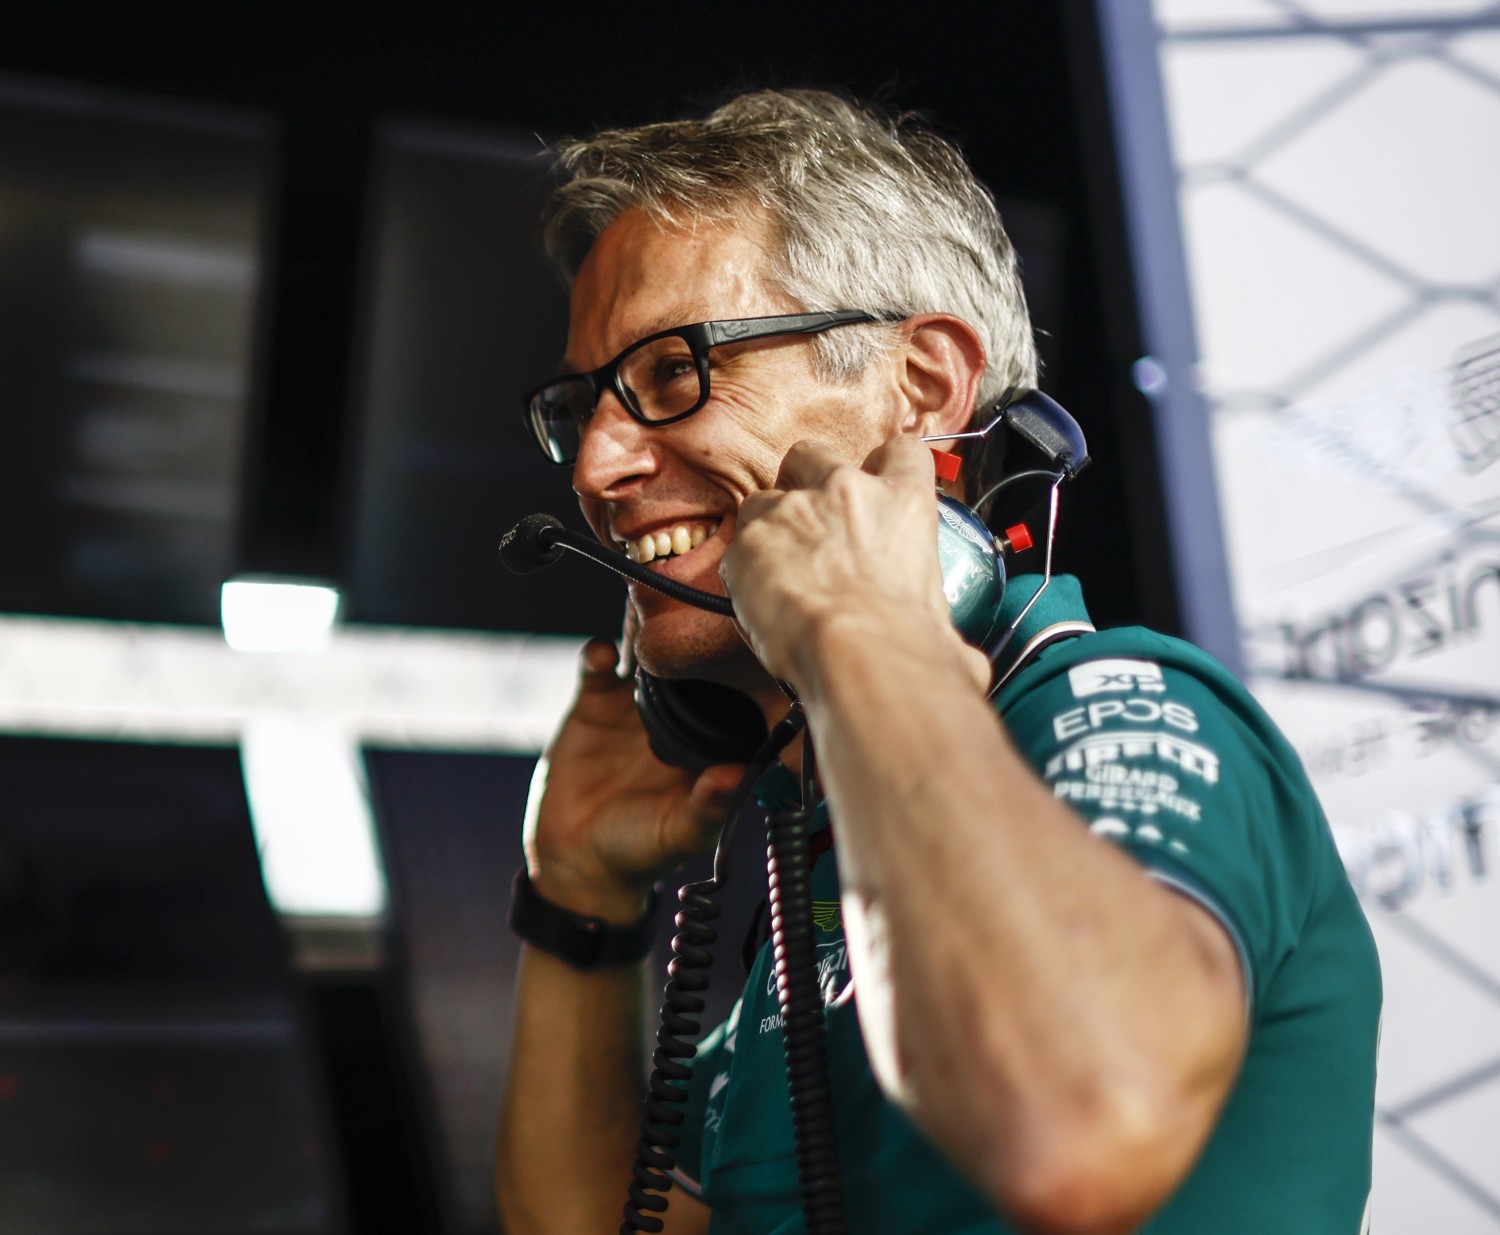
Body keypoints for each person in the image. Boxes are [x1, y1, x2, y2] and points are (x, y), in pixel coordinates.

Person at [494, 88, 1380, 1235]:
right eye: (582, 408)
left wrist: (861, 628)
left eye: (672, 373)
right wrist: (578, 900)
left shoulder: (1124, 705)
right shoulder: (825, 833)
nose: (598, 464)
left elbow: (1081, 1125)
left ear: (919, 389)